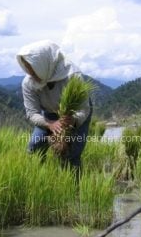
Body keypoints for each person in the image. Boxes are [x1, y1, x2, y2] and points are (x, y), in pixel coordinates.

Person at [16, 40, 92, 177]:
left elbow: (84, 109)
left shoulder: (72, 76)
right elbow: (32, 113)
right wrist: (49, 124)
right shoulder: (28, 83)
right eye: (27, 68)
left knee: (72, 153)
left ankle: (74, 188)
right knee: (35, 146)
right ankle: (38, 178)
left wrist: (73, 120)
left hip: (74, 114)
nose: (30, 72)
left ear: (43, 64)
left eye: (33, 68)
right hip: (48, 115)